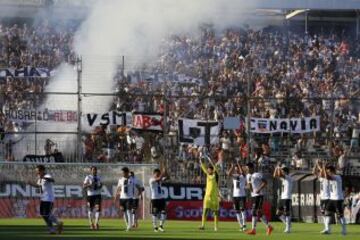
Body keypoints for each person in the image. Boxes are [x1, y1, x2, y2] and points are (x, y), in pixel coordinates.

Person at [32, 165, 63, 234]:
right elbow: (38, 186)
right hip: (43, 198)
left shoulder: (47, 175)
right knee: (43, 214)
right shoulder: (39, 178)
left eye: (38, 171)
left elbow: (52, 180)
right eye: (36, 171)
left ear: (42, 170)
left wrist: (44, 178)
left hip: (49, 199)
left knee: (46, 214)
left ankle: (54, 227)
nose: (37, 172)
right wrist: (31, 184)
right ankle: (57, 224)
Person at [246, 162, 273, 235]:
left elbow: (265, 182)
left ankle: (253, 230)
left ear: (251, 168)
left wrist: (259, 189)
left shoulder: (257, 174)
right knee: (259, 213)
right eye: (246, 168)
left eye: (248, 168)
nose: (247, 170)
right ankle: (269, 226)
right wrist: (249, 187)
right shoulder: (248, 175)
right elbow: (250, 186)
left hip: (259, 195)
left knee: (254, 211)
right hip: (253, 196)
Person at [114, 167, 142, 231]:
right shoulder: (120, 179)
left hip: (129, 198)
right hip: (122, 198)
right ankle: (127, 225)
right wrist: (116, 197)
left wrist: (139, 193)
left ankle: (129, 226)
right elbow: (118, 188)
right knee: (124, 212)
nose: (122, 173)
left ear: (127, 172)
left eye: (123, 172)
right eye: (122, 172)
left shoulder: (133, 179)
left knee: (128, 211)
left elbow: (138, 186)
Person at [199, 156, 221, 231]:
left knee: (216, 213)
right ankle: (202, 225)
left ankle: (216, 227)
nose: (208, 171)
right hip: (207, 197)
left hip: (214, 197)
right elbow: (203, 167)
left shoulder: (215, 175)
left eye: (209, 169)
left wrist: (210, 160)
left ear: (212, 170)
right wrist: (201, 160)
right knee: (205, 211)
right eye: (208, 170)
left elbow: (216, 169)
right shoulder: (207, 175)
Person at [324, 165, 347, 235]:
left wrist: (324, 168)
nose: (328, 173)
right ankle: (328, 229)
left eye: (329, 172)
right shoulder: (331, 176)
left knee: (340, 216)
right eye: (327, 172)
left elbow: (327, 177)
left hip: (338, 199)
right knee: (327, 213)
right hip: (331, 199)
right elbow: (325, 176)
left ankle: (344, 230)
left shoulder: (337, 177)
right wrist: (322, 167)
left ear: (333, 171)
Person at [227, 163, 247, 231]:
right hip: (235, 196)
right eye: (236, 168)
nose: (237, 169)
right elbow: (228, 174)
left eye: (237, 168)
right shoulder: (234, 175)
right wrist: (232, 167)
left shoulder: (243, 175)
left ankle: (244, 225)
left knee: (242, 210)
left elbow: (242, 173)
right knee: (237, 211)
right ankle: (241, 226)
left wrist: (239, 164)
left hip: (242, 195)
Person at [273, 165, 293, 233]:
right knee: (278, 213)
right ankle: (288, 224)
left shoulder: (288, 177)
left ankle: (288, 228)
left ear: (286, 172)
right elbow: (275, 176)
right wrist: (276, 168)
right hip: (282, 197)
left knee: (287, 213)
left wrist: (279, 168)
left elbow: (279, 174)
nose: (282, 171)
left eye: (283, 171)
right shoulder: (284, 178)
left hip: (287, 197)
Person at [313, 160, 330, 233]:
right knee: (323, 214)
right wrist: (316, 164)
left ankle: (327, 229)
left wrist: (322, 166)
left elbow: (322, 171)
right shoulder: (321, 178)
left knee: (327, 214)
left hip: (327, 197)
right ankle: (326, 228)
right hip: (322, 198)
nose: (320, 173)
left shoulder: (327, 178)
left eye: (321, 172)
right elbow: (314, 172)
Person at [83, 166, 102, 230]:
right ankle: (91, 224)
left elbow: (101, 185)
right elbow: (84, 186)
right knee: (90, 210)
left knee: (98, 209)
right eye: (93, 170)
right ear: (91, 171)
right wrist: (90, 185)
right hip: (90, 195)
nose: (95, 171)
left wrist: (99, 185)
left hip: (97, 195)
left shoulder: (99, 177)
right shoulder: (88, 177)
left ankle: (96, 223)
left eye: (95, 170)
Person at [149, 168, 167, 232]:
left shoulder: (159, 180)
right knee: (155, 213)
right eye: (157, 174)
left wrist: (165, 172)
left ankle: (161, 226)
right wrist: (162, 173)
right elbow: (159, 179)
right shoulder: (151, 180)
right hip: (154, 198)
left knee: (164, 212)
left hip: (161, 198)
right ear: (154, 174)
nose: (158, 175)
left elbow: (166, 178)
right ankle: (155, 227)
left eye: (158, 174)